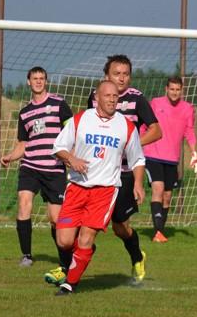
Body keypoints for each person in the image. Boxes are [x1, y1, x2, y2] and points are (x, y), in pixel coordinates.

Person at [45, 54, 162, 287]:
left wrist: (129, 146)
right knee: (70, 229)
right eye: (116, 74)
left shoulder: (137, 99)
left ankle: (137, 257)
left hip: (124, 174)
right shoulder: (96, 97)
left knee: (120, 226)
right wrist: (72, 154)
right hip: (93, 174)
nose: (121, 78)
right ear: (106, 76)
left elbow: (157, 131)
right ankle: (66, 268)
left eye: (126, 74)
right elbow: (89, 128)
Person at [0, 66, 74, 269]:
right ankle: (26, 255)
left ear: (46, 81)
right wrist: (10, 157)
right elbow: (23, 144)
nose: (39, 81)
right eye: (35, 78)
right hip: (30, 166)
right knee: (24, 205)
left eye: (42, 78)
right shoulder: (25, 112)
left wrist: (71, 155)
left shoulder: (59, 104)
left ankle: (65, 260)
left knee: (55, 218)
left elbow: (72, 131)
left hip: (54, 167)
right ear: (29, 82)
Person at [144, 75, 197, 242]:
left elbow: (189, 131)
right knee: (158, 190)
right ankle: (157, 233)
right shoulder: (156, 103)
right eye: (172, 89)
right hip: (153, 154)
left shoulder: (187, 108)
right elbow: (145, 125)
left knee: (167, 197)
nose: (174, 92)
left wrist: (194, 153)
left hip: (172, 158)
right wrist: (138, 144)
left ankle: (159, 232)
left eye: (177, 90)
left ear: (182, 90)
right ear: (166, 89)